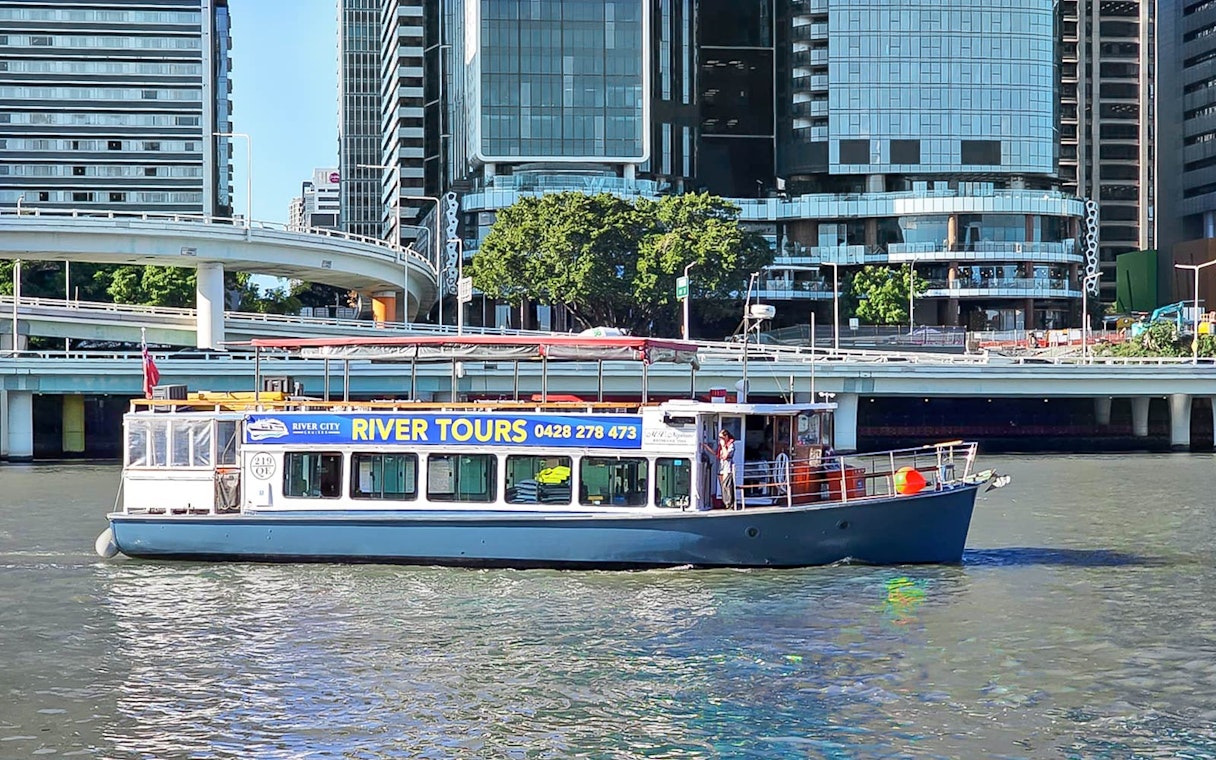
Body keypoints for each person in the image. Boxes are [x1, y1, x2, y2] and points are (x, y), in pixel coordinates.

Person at [703, 429, 737, 510]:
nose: (720, 439)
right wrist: (706, 447)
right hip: (721, 467)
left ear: (726, 436)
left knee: (727, 485)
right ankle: (725, 502)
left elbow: (725, 456)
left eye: (721, 437)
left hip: (727, 467)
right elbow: (716, 454)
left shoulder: (730, 445)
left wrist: (723, 446)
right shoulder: (721, 446)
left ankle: (730, 503)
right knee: (722, 486)